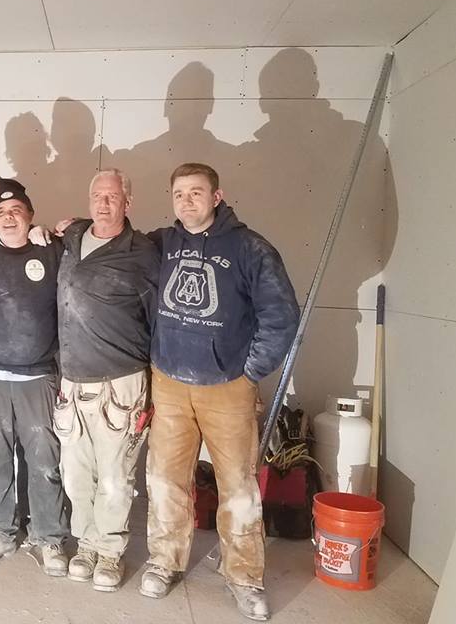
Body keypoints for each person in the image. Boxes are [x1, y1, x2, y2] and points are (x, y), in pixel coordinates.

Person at [142, 163, 298, 621]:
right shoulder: (162, 243)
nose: (186, 201)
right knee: (165, 480)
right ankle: (164, 561)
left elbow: (281, 315)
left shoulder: (250, 248)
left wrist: (250, 372)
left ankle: (244, 578)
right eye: (179, 194)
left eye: (196, 192)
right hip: (169, 383)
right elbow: (115, 245)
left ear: (217, 196)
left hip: (227, 387)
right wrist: (72, 228)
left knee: (238, 488)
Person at [52, 168, 159, 592]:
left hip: (121, 381)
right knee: (76, 474)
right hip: (73, 380)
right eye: (97, 195)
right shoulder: (72, 238)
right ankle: (87, 544)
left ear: (127, 203)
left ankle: (110, 551)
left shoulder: (143, 253)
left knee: (116, 476)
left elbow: (157, 320)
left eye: (112, 196)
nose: (104, 202)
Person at [0, 180, 69, 576]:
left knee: (44, 462)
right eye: (1, 212)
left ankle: (50, 537)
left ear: (30, 217)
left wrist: (56, 232)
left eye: (16, 211)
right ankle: (0, 533)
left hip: (38, 376)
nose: (8, 217)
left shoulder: (51, 252)